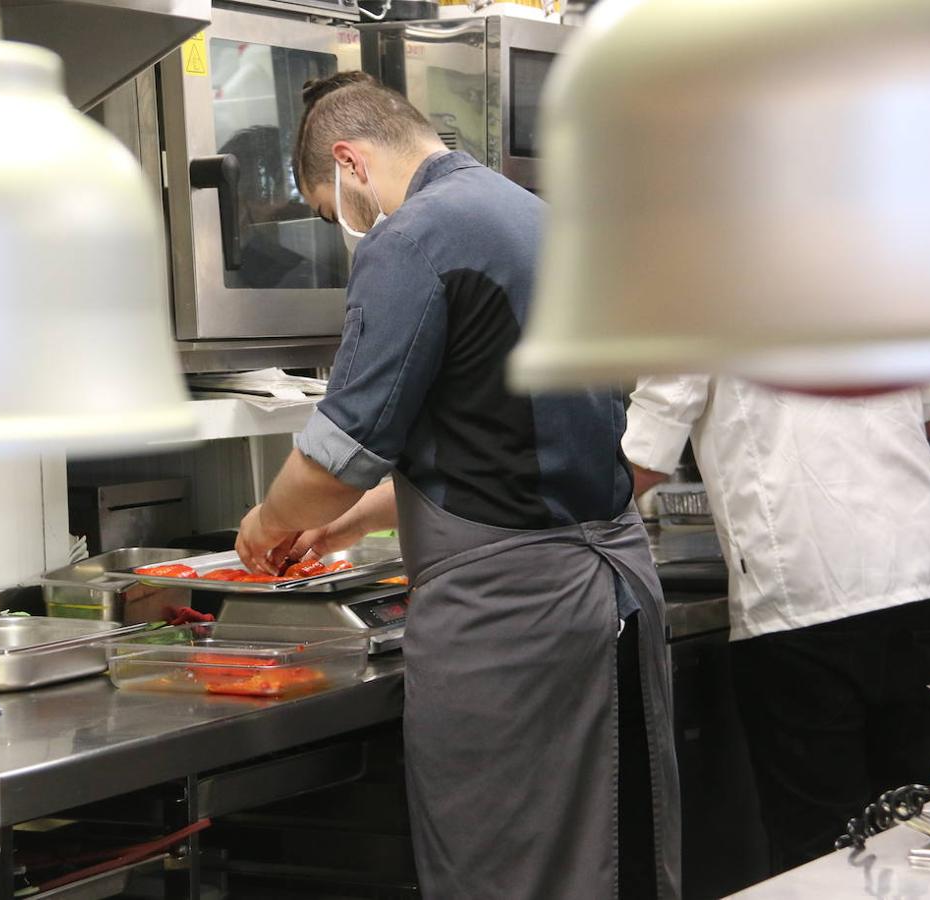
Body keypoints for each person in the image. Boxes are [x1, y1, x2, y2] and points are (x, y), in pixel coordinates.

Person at [233, 71, 681, 899]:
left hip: (513, 623)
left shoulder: (416, 237)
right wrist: (351, 525)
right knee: (612, 862)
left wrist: (266, 522)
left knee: (506, 866)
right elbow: (502, 433)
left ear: (349, 162)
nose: (345, 231)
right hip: (609, 595)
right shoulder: (534, 218)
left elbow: (337, 454)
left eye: (331, 213)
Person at [625, 377, 930, 876]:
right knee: (905, 829)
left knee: (824, 853)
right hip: (917, 574)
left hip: (806, 591)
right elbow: (924, 412)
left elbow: (640, 459)